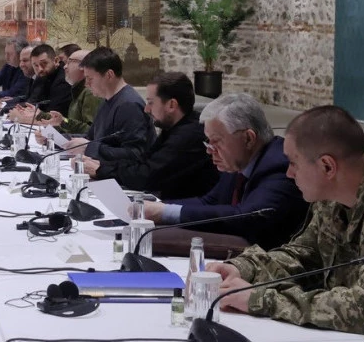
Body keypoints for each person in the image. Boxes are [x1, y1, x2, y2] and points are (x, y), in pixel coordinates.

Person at [206, 106, 364, 342]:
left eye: (294, 163)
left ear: (327, 166)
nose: (289, 173)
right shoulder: (331, 194)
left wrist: (261, 300)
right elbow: (304, 255)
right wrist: (244, 268)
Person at [142, 92, 308, 250]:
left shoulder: (279, 166)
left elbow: (247, 217)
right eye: (208, 142)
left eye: (216, 142)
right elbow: (210, 202)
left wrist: (165, 213)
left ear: (248, 138)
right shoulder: (240, 160)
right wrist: (159, 207)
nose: (209, 151)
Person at [78, 72, 219, 199]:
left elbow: (146, 176)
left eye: (151, 102)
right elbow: (143, 162)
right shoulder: (173, 127)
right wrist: (101, 165)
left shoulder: (188, 135)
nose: (146, 109)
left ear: (171, 105)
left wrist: (100, 170)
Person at [63, 47, 154, 161]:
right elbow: (91, 137)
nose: (86, 84)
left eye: (89, 78)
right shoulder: (107, 99)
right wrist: (59, 139)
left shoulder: (129, 105)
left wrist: (89, 148)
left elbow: (134, 154)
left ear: (109, 75)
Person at [38, 48, 102, 135]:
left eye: (69, 62)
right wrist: (51, 133)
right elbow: (70, 124)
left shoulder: (90, 92)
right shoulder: (77, 90)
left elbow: (91, 131)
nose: (64, 66)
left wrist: (63, 122)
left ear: (84, 65)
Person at [7, 44, 72, 121]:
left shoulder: (63, 80)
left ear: (56, 61)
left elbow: (55, 117)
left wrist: (22, 118)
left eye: (44, 64)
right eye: (36, 65)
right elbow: (32, 103)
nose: (40, 69)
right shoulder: (41, 76)